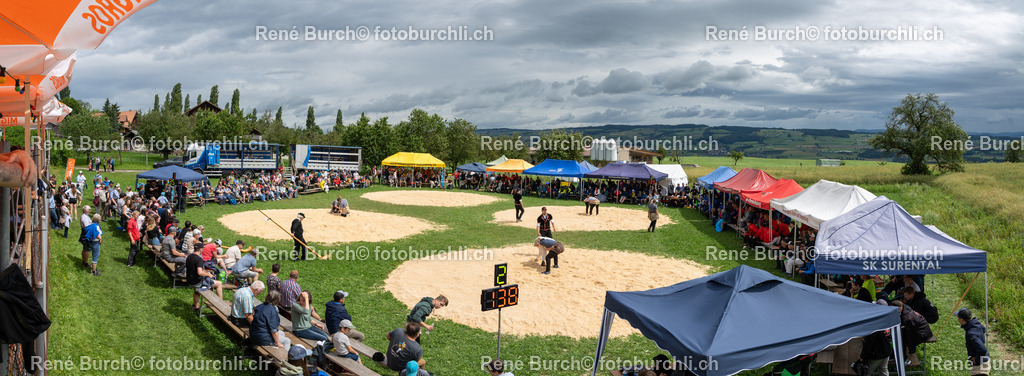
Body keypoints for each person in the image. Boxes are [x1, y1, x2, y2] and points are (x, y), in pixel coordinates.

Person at [186, 239, 223, 314]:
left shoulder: (189, 257)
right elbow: (199, 272)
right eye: (203, 248)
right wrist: (209, 274)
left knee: (197, 291)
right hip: (197, 282)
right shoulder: (199, 259)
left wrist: (205, 273)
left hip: (190, 280)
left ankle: (196, 307)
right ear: (200, 250)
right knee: (219, 283)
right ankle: (220, 304)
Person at [957, 308, 990, 375]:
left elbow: (982, 349)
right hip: (985, 360)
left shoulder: (971, 334)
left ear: (961, 320)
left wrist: (977, 359)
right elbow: (983, 328)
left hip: (980, 366)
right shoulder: (976, 323)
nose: (957, 319)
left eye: (958, 317)